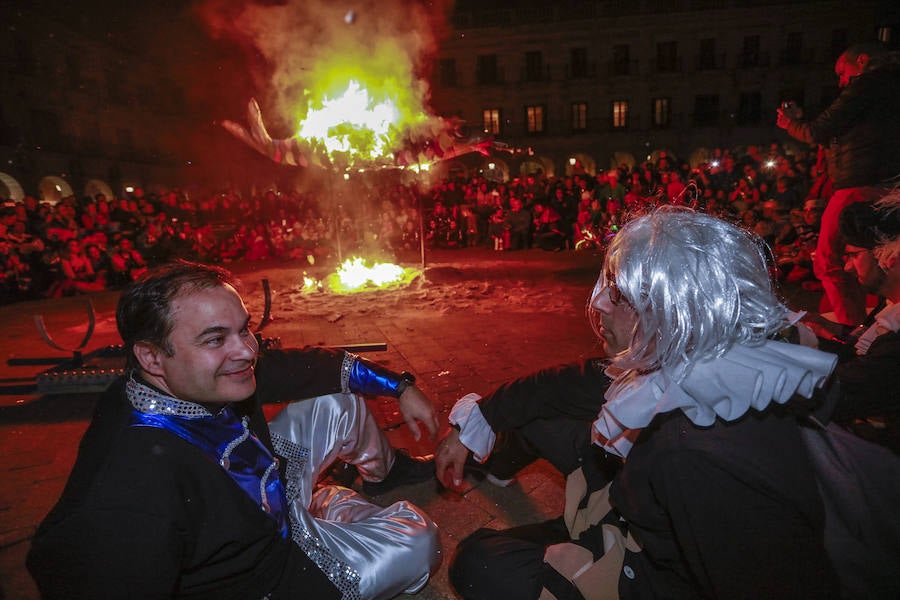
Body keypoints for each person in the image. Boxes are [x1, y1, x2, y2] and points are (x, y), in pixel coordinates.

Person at [437, 206, 840, 599]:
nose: (598, 304)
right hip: (636, 516)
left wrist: (588, 563)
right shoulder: (708, 359)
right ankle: (505, 481)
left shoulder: (696, 453)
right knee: (536, 420)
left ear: (676, 307)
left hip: (645, 566)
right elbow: (561, 384)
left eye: (619, 294)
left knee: (478, 561)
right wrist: (479, 420)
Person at [27, 261, 441, 600]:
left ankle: (364, 483)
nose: (245, 350)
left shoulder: (179, 378)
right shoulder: (131, 486)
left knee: (339, 399)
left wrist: (398, 387)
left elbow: (306, 367)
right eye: (214, 339)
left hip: (268, 493)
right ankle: (326, 506)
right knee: (419, 542)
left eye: (243, 329)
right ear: (152, 357)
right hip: (270, 571)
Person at [776, 41, 900, 325]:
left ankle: (851, 329)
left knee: (829, 261)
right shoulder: (891, 88)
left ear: (862, 61)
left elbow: (821, 130)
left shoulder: (868, 84)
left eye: (843, 73)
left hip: (861, 182)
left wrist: (791, 124)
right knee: (879, 259)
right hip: (888, 184)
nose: (842, 81)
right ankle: (879, 324)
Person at [801, 190, 900, 454]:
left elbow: (841, 393)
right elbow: (866, 356)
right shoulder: (890, 308)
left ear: (889, 257)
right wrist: (833, 332)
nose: (846, 267)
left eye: (854, 255)